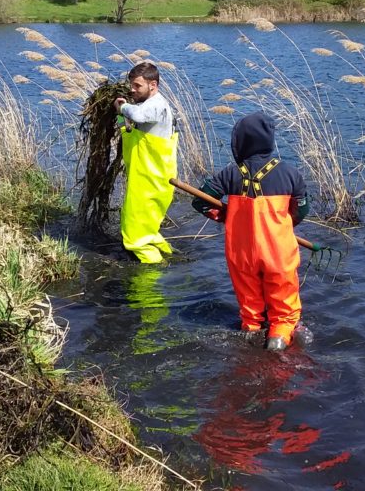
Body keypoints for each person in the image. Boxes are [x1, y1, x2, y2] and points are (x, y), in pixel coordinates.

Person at [191, 112, 310, 351]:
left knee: (250, 303)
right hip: (278, 251)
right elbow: (302, 210)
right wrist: (285, 226)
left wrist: (226, 216)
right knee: (283, 301)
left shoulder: (231, 173)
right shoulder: (289, 173)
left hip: (241, 252)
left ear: (241, 142)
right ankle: (279, 338)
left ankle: (251, 332)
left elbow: (201, 201)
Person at [114, 62, 178, 264]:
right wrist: (119, 115)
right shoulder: (149, 104)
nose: (132, 89)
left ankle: (150, 280)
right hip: (148, 177)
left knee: (136, 237)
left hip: (150, 180)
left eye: (137, 86)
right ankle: (170, 258)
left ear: (153, 85)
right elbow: (131, 130)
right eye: (131, 85)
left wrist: (122, 106)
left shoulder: (155, 105)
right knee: (147, 229)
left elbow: (137, 115)